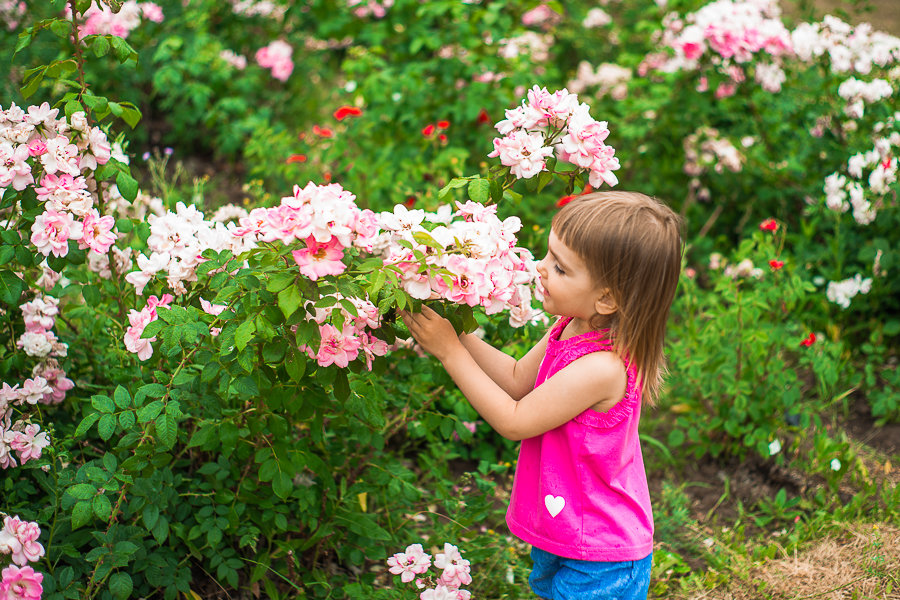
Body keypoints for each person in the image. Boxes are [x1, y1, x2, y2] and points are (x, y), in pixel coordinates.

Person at [401, 191, 684, 600]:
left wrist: (449, 352)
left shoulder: (603, 367)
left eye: (561, 268)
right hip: (568, 530)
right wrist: (456, 333)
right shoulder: (570, 325)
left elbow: (514, 419)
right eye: (549, 256)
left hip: (601, 552)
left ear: (606, 297)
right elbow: (518, 378)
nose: (541, 269)